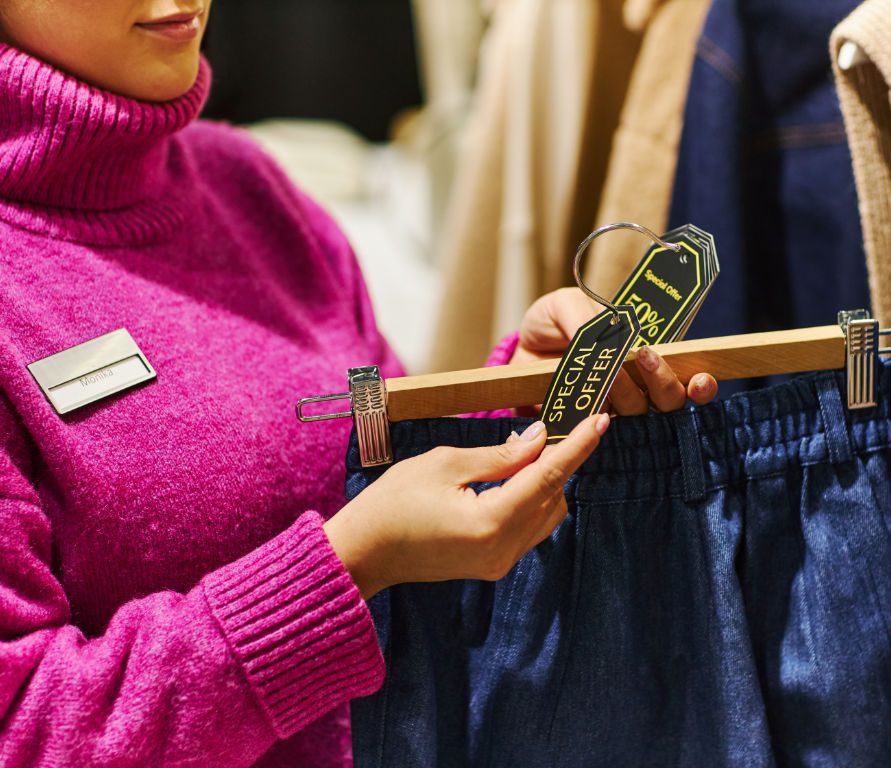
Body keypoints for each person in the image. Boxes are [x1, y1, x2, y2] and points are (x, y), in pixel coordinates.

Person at [0, 2, 718, 766]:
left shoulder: (247, 189)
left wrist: (517, 396)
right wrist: (351, 565)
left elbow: (373, 458)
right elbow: (23, 729)